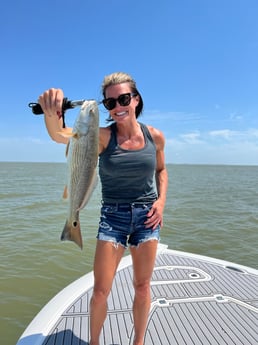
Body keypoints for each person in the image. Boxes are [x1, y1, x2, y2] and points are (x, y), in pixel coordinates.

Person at [38, 72, 168, 345]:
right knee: (100, 291)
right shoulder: (101, 136)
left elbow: (162, 170)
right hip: (113, 217)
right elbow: (60, 135)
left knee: (143, 288)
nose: (117, 107)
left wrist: (160, 202)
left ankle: (139, 342)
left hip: (147, 216)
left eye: (123, 99)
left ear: (136, 99)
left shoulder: (155, 136)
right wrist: (52, 112)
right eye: (110, 103)